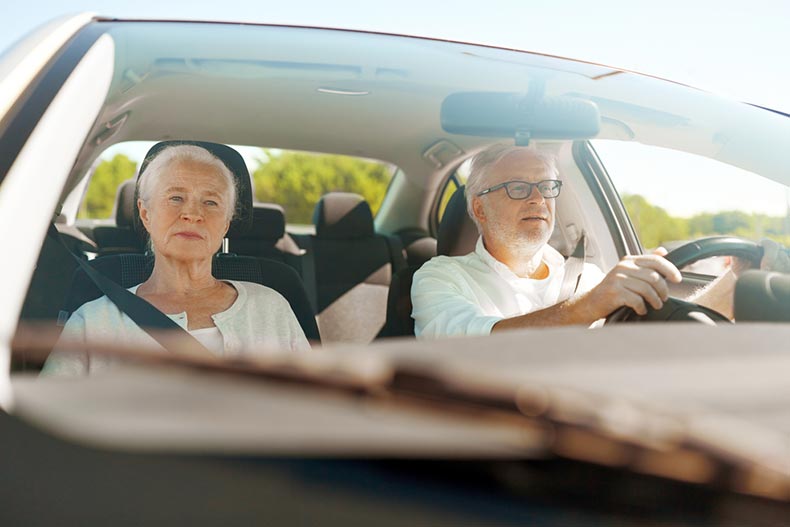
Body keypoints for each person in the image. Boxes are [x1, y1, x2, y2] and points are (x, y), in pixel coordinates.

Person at [411, 143, 786, 338]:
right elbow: (465, 346)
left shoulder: (585, 277)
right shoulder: (440, 278)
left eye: (546, 186)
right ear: (479, 208)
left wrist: (734, 283)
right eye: (518, 187)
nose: (538, 199)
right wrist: (589, 306)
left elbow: (647, 347)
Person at [43, 145, 310, 375]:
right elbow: (46, 420)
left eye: (211, 202)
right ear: (145, 213)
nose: (192, 214)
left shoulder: (272, 308)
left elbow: (313, 409)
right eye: (176, 198)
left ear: (226, 223)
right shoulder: (94, 321)